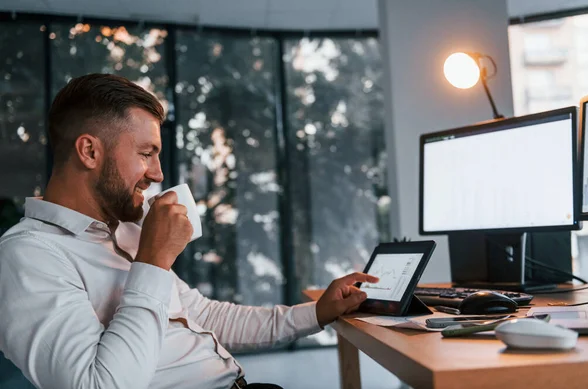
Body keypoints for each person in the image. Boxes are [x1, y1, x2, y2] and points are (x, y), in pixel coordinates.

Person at [0, 74, 378, 389]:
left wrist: (317, 313)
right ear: (89, 151)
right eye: (146, 153)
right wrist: (153, 261)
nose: (158, 174)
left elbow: (207, 318)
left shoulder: (127, 233)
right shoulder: (28, 256)